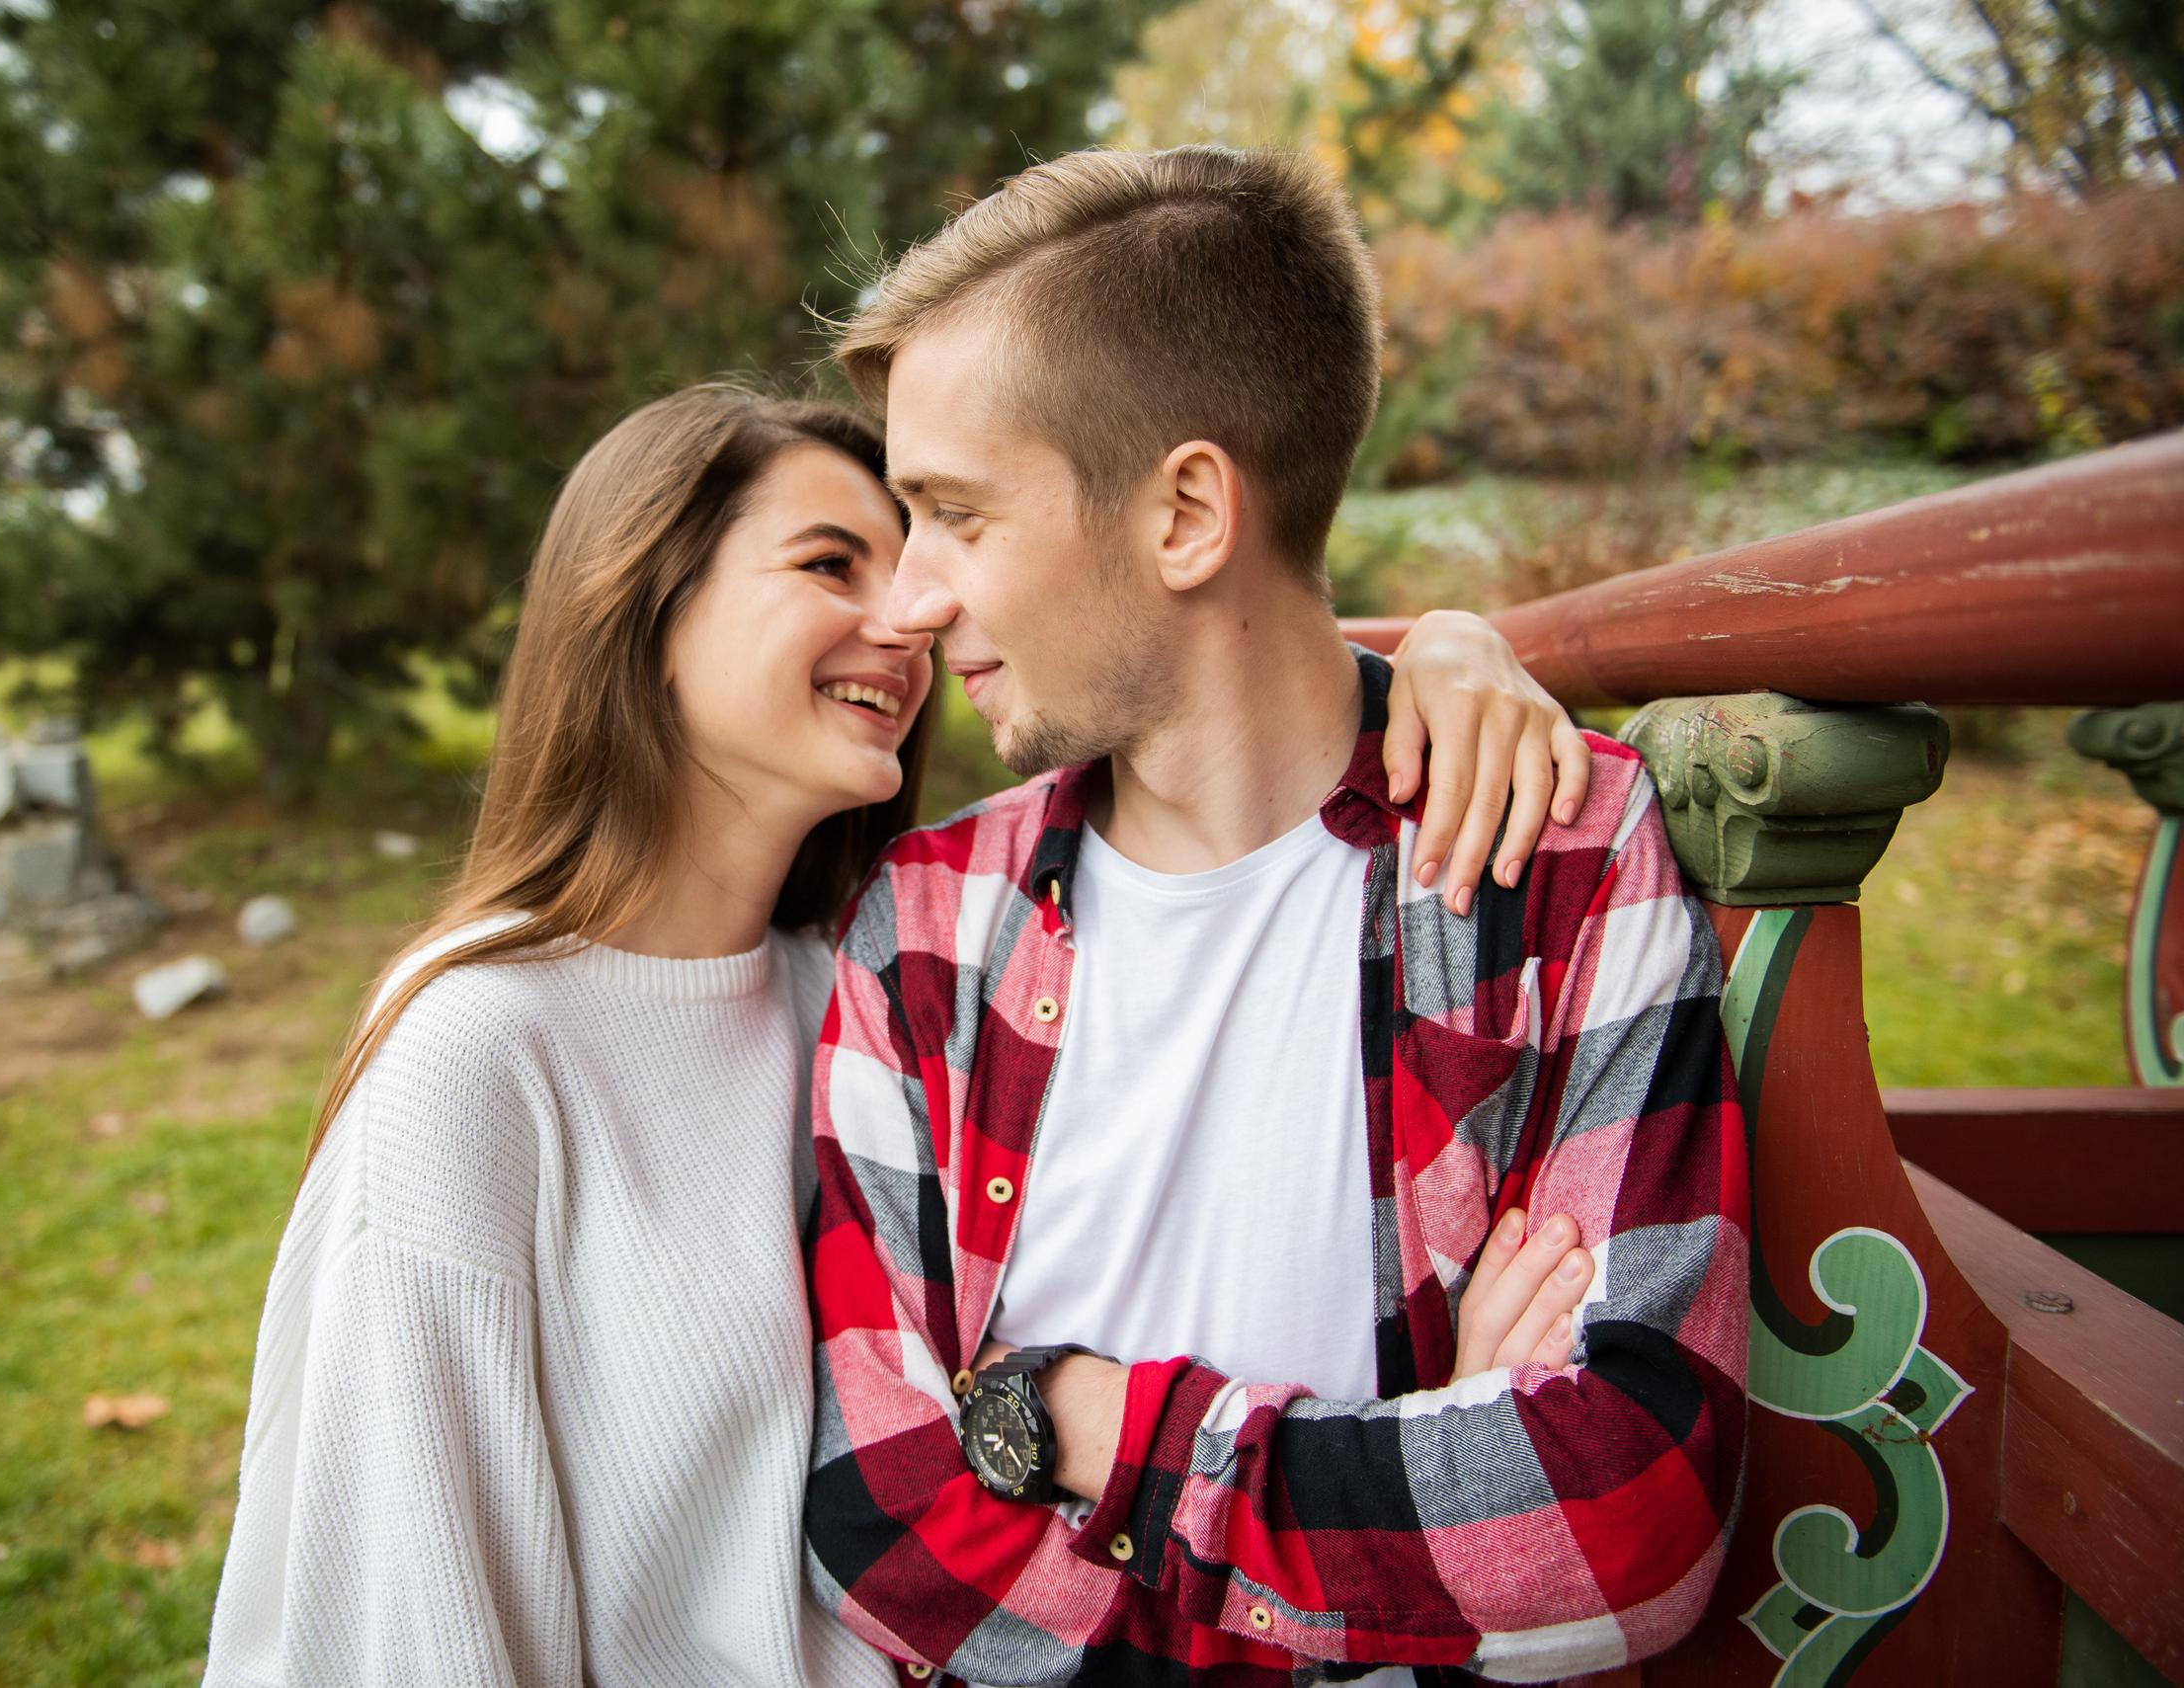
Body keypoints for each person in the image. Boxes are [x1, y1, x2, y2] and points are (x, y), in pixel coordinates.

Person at [201, 378, 1596, 1685]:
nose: (914, 617)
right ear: (643, 606)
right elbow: (402, 1613)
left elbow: (1222, 685)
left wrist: (1450, 654)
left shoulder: (868, 981)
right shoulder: (481, 1057)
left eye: (919, 560)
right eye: (831, 564)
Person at [802, 145, 1748, 1686]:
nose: (909, 600)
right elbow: (883, 1514)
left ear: (1187, 513)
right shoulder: (922, 926)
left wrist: (1069, 1416)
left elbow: (1629, 1507)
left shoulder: (1553, 855)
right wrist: (1413, 1492)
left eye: (956, 516)